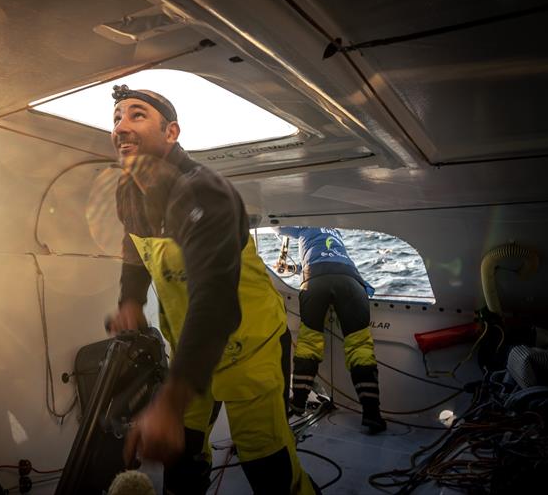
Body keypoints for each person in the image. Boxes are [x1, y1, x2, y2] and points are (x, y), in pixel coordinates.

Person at [107, 84, 317, 495]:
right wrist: (129, 301)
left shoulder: (204, 191)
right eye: (116, 118)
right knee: (183, 456)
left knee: (266, 464)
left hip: (248, 345)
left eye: (137, 115)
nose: (121, 126)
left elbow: (216, 301)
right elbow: (133, 248)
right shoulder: (128, 190)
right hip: (192, 347)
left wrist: (168, 402)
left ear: (171, 133)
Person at [277, 226, 387, 433]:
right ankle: (372, 415)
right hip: (351, 282)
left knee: (309, 343)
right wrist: (295, 270)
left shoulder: (303, 228)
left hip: (315, 281)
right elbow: (329, 262)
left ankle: (298, 402)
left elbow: (278, 225)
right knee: (360, 347)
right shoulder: (336, 233)